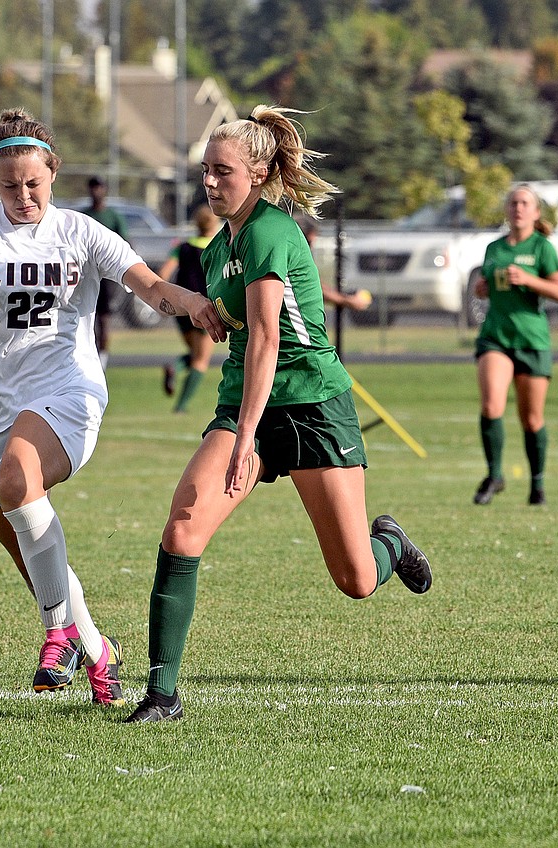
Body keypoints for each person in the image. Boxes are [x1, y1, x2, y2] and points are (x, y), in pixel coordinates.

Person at [0, 109, 224, 707]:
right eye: (9, 185)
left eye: (34, 183)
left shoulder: (82, 232)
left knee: (21, 480)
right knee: (30, 542)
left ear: (53, 172)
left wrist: (195, 304)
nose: (23, 195)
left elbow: (149, 286)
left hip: (67, 391)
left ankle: (56, 634)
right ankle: (97, 650)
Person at [125, 105, 432, 724]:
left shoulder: (270, 230)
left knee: (356, 581)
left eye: (223, 172)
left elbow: (268, 339)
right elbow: (237, 331)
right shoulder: (219, 250)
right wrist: (207, 316)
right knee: (183, 526)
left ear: (259, 173)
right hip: (247, 402)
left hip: (313, 405)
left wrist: (244, 442)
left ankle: (389, 545)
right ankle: (162, 695)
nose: (210, 183)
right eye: (206, 171)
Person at [471, 185, 558, 506]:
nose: (518, 208)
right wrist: (482, 288)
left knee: (532, 420)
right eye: (513, 202)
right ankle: (494, 474)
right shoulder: (494, 248)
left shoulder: (542, 248)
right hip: (496, 336)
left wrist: (528, 280)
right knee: (491, 407)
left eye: (525, 203)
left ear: (536, 212)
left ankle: (537, 485)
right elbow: (484, 288)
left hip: (531, 339)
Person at [159, 204, 222, 413]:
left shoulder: (183, 247)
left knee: (194, 353)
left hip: (181, 309)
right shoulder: (217, 247)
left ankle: (174, 368)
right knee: (201, 360)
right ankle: (181, 406)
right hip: (205, 308)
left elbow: (164, 274)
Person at [80, 176, 129, 368]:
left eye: (99, 187)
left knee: (104, 318)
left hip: (106, 276)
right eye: (93, 187)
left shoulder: (113, 216)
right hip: (85, 274)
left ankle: (102, 360)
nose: (96, 191)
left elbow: (125, 243)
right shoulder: (84, 216)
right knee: (84, 317)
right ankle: (85, 357)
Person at [298, 218, 372, 313]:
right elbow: (317, 290)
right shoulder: (293, 257)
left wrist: (344, 297)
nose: (312, 246)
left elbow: (315, 284)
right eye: (310, 241)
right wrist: (349, 301)